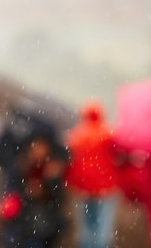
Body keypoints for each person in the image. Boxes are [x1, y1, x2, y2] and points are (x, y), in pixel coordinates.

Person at [64, 101, 119, 248]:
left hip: (83, 188)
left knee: (86, 226)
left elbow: (69, 161)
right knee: (103, 226)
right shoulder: (109, 134)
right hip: (106, 188)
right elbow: (120, 156)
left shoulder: (76, 135)